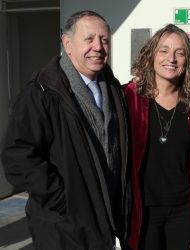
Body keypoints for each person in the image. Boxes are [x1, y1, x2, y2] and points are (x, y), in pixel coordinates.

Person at [1, 10, 129, 249]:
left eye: (104, 40)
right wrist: (62, 200)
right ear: (67, 44)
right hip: (63, 227)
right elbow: (17, 157)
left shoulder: (111, 88)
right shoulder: (41, 92)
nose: (98, 47)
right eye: (89, 39)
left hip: (101, 222)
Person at [123, 24, 190, 250]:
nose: (172, 58)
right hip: (143, 211)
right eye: (164, 50)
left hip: (182, 210)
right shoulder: (129, 98)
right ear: (151, 55)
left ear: (188, 59)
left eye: (180, 52)